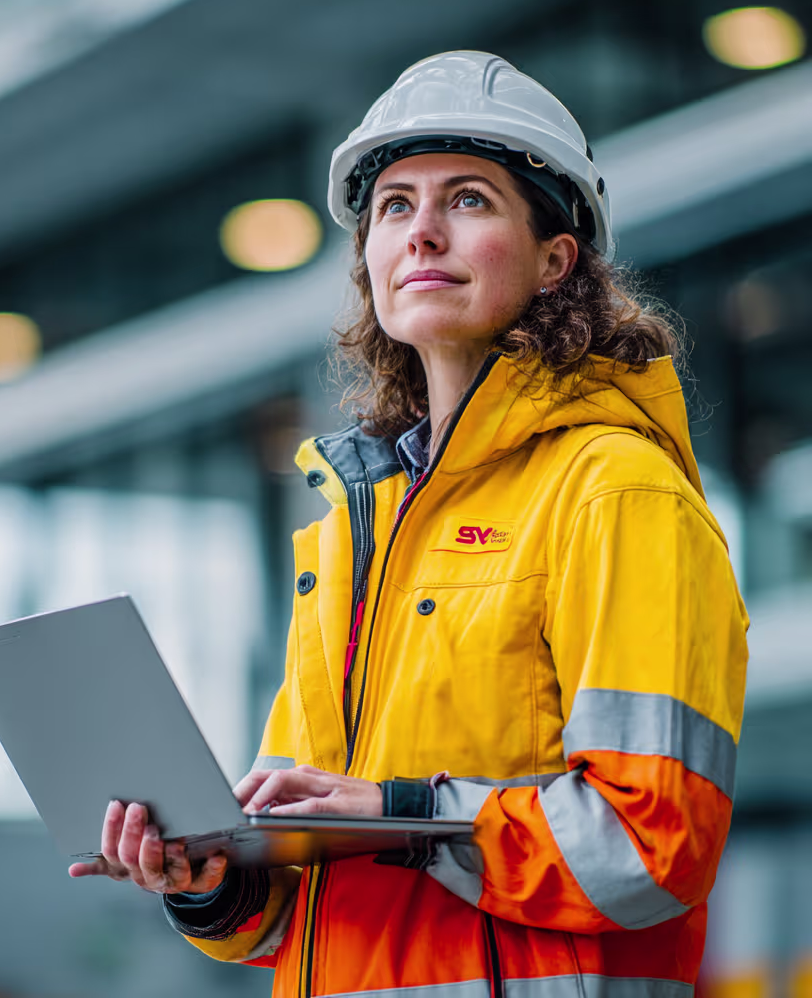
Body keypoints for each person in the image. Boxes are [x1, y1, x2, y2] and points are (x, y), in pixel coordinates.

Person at [70, 51, 749, 998]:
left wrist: (398, 816)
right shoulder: (355, 533)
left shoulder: (616, 490)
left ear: (557, 261)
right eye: (394, 206)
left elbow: (648, 849)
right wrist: (213, 881)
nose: (422, 232)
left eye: (467, 200)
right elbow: (293, 909)